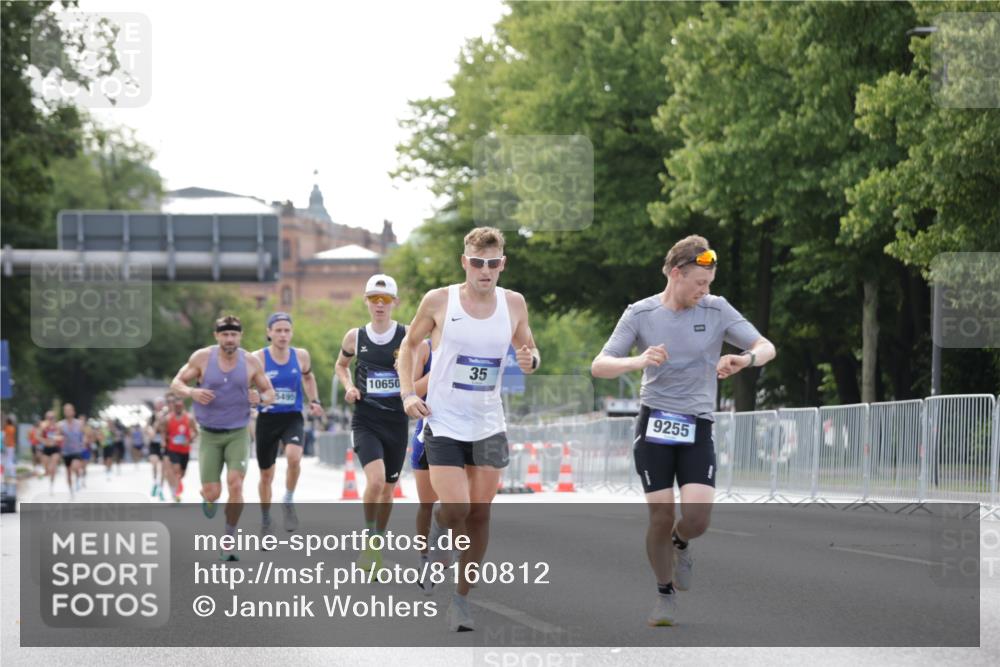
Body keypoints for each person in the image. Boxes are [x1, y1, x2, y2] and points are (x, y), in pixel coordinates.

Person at [591, 235, 776, 627]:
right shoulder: (640, 314)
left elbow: (766, 346)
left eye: (709, 284)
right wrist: (638, 360)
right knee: (660, 515)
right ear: (676, 274)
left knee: (696, 517)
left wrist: (744, 359)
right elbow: (600, 364)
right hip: (654, 423)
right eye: (699, 283)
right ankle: (664, 594)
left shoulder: (717, 309)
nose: (705, 291)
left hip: (698, 423)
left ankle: (681, 544)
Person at [398, 227, 540, 631]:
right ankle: (441, 536)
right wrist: (409, 394)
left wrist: (532, 361)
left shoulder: (513, 303)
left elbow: (528, 348)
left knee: (479, 515)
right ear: (465, 262)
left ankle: (460, 600)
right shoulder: (439, 300)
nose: (485, 270)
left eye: (492, 263)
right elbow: (409, 346)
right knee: (455, 508)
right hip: (443, 420)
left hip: (489, 424)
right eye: (477, 262)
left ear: (502, 264)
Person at [169, 314, 275, 561]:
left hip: (238, 432)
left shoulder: (250, 362)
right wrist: (191, 391)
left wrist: (261, 398)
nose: (230, 339)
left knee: (236, 483)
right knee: (213, 492)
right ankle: (207, 496)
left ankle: (228, 539)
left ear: (240, 336)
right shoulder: (202, 358)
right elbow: (176, 383)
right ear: (216, 336)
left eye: (234, 334)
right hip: (209, 434)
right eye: (225, 334)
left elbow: (269, 392)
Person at [335, 275, 410, 569]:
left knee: (389, 488)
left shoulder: (406, 335)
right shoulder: (355, 337)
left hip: (396, 421)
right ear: (366, 301)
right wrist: (348, 387)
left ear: (395, 303)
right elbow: (341, 366)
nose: (380, 305)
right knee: (376, 481)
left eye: (385, 299)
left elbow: (422, 364)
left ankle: (377, 542)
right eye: (374, 299)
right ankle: (369, 541)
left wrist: (406, 368)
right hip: (366, 419)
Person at [252, 312, 324, 532]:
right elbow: (245, 384)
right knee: (266, 475)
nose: (283, 335)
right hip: (267, 418)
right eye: (278, 330)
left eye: (287, 330)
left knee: (294, 458)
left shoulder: (301, 355)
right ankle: (265, 517)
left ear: (291, 333)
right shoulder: (258, 358)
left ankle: (289, 500)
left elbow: (308, 377)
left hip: (292, 416)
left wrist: (315, 400)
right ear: (269, 333)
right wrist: (253, 396)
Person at [407, 338, 438, 594]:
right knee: (427, 504)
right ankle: (425, 559)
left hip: (469, 431)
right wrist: (439, 372)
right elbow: (412, 389)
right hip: (430, 430)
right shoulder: (426, 347)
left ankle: (451, 545)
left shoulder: (475, 342)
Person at [162, 395, 197, 502]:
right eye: (176, 406)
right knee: (175, 469)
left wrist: (190, 439)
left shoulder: (189, 418)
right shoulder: (168, 419)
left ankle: (177, 486)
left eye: (179, 406)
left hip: (185, 450)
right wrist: (164, 441)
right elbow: (164, 432)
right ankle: (176, 493)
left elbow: (195, 432)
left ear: (182, 406)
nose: (177, 407)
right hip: (173, 449)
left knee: (182, 473)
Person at [55, 403, 87, 499]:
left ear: (73, 412)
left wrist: (84, 441)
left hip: (77, 450)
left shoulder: (79, 423)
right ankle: (71, 491)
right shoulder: (60, 424)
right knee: (68, 473)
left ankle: (77, 477)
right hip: (66, 451)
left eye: (70, 410)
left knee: (75, 466)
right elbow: (57, 435)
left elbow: (84, 434)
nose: (68, 412)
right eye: (66, 410)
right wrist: (59, 438)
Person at [147, 398, 168, 500]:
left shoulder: (166, 416)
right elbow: (151, 435)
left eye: (161, 404)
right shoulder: (151, 418)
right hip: (154, 445)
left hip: (164, 445)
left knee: (163, 468)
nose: (160, 406)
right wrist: (157, 422)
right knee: (154, 463)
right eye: (158, 404)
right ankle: (155, 482)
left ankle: (160, 489)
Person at [39, 411, 61, 494]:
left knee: (53, 466)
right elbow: (38, 436)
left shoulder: (57, 426)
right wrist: (44, 441)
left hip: (55, 448)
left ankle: (51, 485)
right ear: (46, 418)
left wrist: (56, 438)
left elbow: (60, 436)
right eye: (49, 418)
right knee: (47, 469)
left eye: (52, 418)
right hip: (46, 449)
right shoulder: (43, 426)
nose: (50, 419)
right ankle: (46, 473)